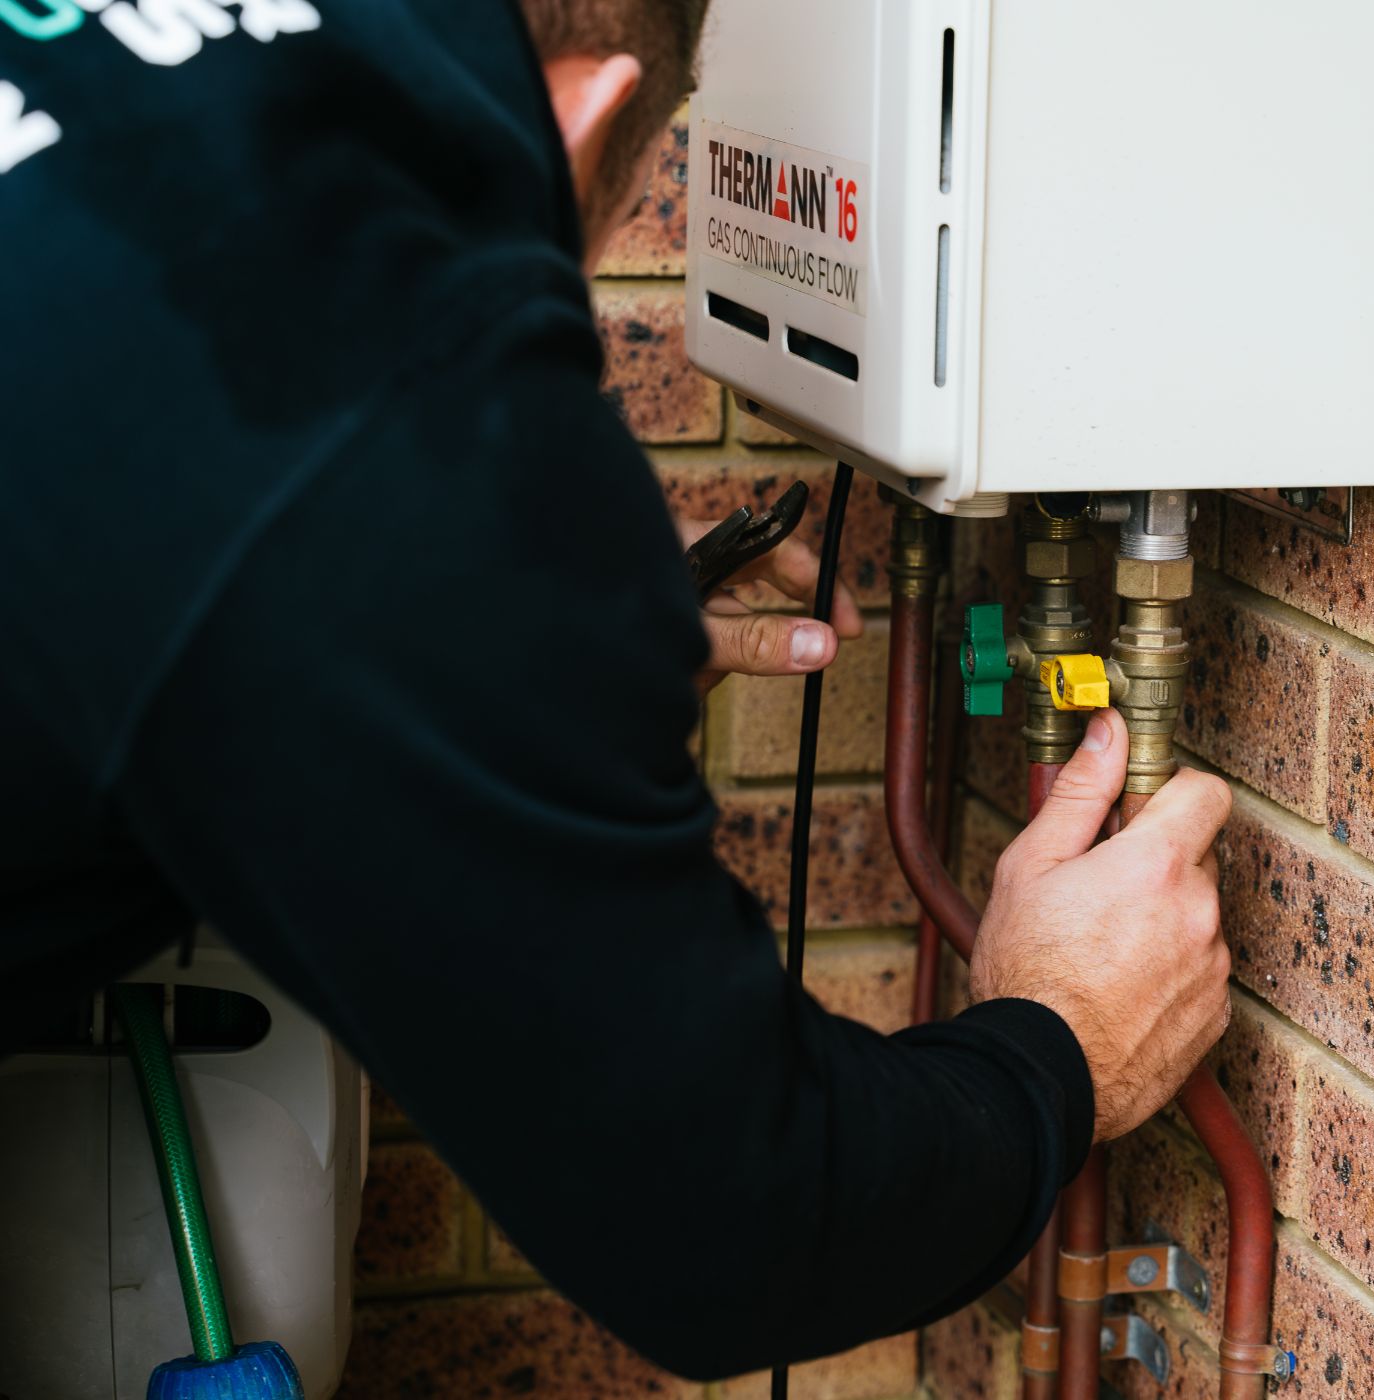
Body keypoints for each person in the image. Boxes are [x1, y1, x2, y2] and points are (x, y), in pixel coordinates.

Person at [0, 0, 1234, 1380]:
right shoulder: (366, 395)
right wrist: (1060, 1047)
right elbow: (735, 1224)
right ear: (588, 113)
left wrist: (481, 661)